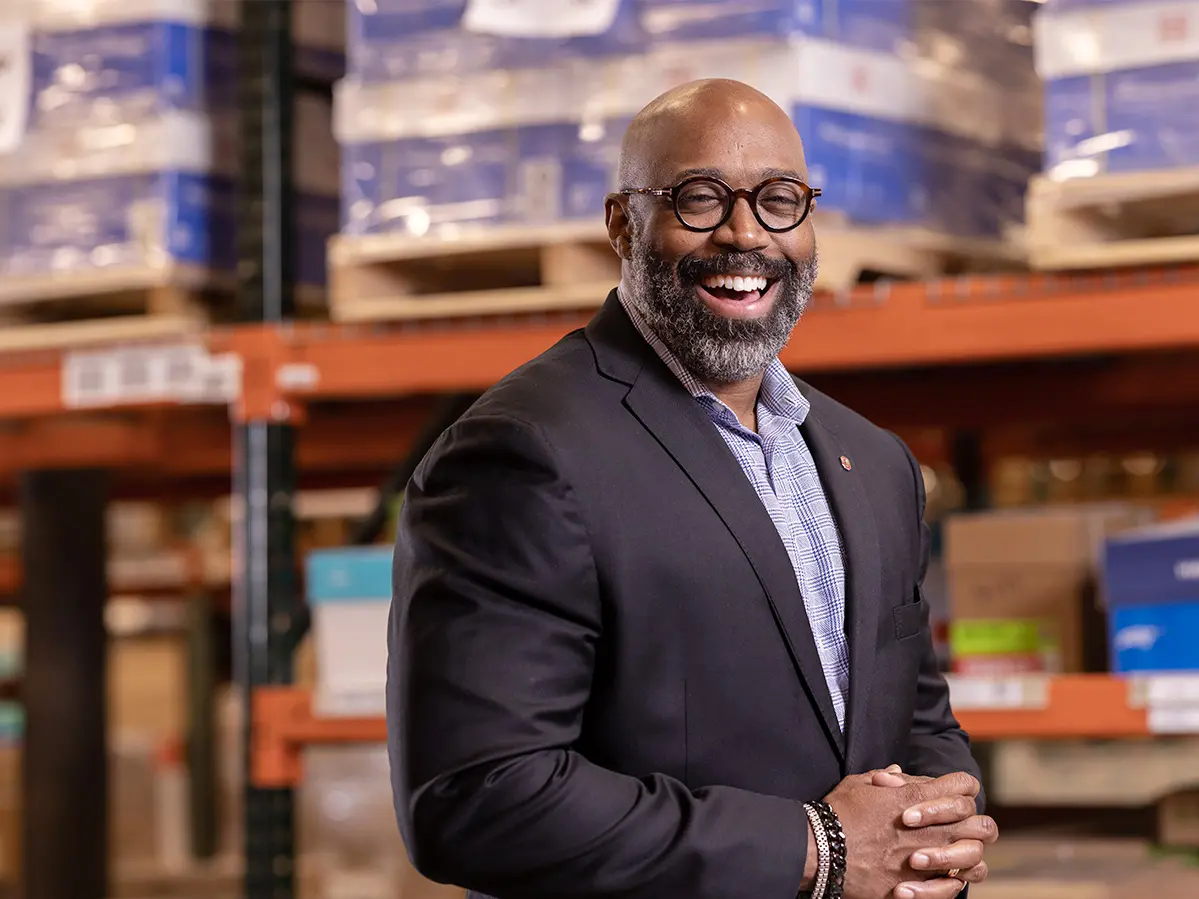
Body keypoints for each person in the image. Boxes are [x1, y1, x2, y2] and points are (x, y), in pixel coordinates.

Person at [387, 79, 997, 899]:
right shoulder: (524, 452)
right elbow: (478, 796)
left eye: (779, 200)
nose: (746, 233)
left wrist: (938, 825)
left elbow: (914, 716)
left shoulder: (873, 461)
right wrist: (815, 846)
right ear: (621, 224)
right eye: (699, 199)